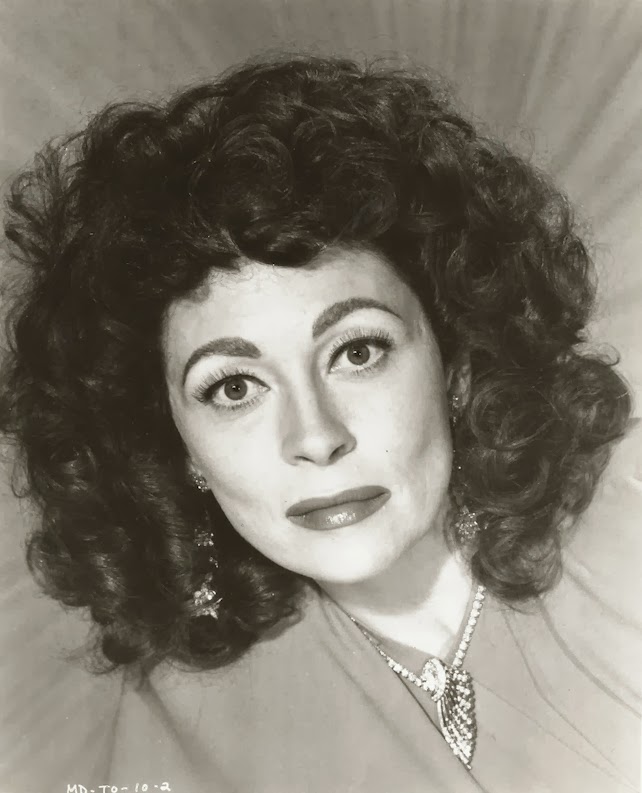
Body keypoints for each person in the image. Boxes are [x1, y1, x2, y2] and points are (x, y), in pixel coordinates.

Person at [1, 54, 640, 793]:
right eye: (233, 387)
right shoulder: (183, 722)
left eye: (357, 351)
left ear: (457, 364)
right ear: (177, 449)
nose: (315, 437)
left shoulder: (624, 540)